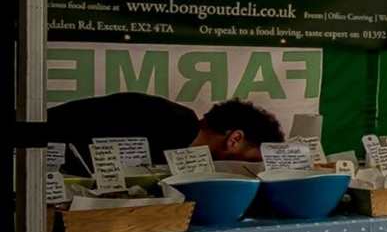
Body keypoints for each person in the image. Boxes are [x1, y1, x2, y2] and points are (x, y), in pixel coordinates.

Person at [48, 93, 285, 176]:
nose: (250, 172)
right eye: (251, 163)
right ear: (234, 139)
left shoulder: (178, 123)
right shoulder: (177, 125)